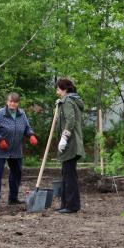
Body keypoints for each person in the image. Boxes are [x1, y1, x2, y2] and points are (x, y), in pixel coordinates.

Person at [0, 92, 38, 206]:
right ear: (7, 102)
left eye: (15, 102)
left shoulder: (22, 114)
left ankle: (13, 198)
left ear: (18, 103)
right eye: (11, 101)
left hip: (15, 150)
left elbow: (27, 127)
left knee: (16, 173)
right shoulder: (0, 114)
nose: (12, 104)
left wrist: (31, 135)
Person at [54, 78, 85, 214]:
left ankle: (72, 205)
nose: (57, 92)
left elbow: (70, 120)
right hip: (72, 143)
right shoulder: (67, 101)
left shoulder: (67, 100)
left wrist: (64, 138)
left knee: (69, 175)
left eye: (58, 89)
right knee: (66, 174)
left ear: (64, 89)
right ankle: (66, 204)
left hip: (71, 143)